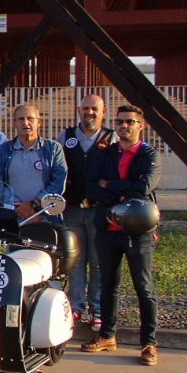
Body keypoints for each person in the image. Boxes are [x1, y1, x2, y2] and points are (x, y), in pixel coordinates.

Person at [81, 105, 161, 367]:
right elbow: (91, 186)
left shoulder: (149, 155)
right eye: (119, 122)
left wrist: (111, 186)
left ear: (141, 125)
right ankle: (107, 336)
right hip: (107, 230)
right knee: (107, 285)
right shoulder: (105, 154)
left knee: (144, 288)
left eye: (129, 122)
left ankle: (149, 343)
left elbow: (144, 187)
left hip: (138, 233)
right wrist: (119, 193)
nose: (123, 126)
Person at [57, 94, 117, 332]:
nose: (89, 113)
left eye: (94, 109)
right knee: (76, 260)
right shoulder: (66, 136)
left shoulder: (110, 137)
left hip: (99, 209)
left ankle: (98, 309)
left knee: (99, 261)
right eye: (85, 109)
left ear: (103, 112)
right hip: (71, 209)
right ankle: (76, 306)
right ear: (78, 110)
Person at [0, 104, 67, 221]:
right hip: (12, 217)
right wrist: (19, 207)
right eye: (21, 119)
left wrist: (34, 206)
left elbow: (58, 183)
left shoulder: (53, 149)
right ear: (14, 123)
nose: (25, 123)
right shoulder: (3, 150)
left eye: (30, 118)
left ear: (39, 122)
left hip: (44, 217)